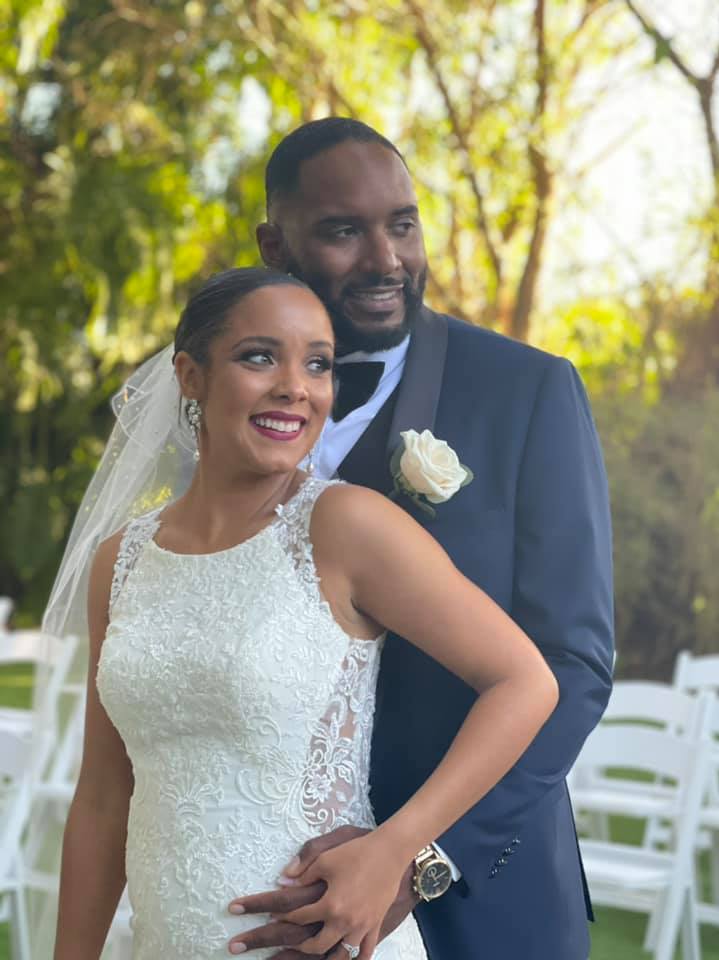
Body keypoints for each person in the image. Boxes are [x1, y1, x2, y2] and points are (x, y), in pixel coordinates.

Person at [51, 267, 558, 960]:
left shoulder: (345, 525)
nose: (296, 386)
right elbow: (104, 799)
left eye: (318, 364)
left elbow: (526, 682)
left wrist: (398, 852)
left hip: (321, 945)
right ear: (190, 376)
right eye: (260, 356)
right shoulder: (121, 559)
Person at [225, 119, 615, 960]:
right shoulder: (233, 407)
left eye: (401, 223)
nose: (385, 259)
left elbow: (574, 667)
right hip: (272, 887)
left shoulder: (529, 392)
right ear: (274, 242)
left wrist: (418, 858)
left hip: (483, 903)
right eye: (342, 230)